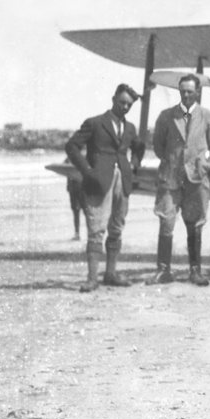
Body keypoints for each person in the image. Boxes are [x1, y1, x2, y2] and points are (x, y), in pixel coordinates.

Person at [65, 84, 145, 292]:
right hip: (98, 182)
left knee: (117, 228)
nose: (125, 107)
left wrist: (134, 166)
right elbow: (71, 146)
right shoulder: (95, 123)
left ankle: (110, 273)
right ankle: (92, 278)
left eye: (129, 105)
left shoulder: (130, 128)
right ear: (113, 99)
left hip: (122, 183)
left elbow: (139, 146)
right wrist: (87, 171)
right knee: (96, 229)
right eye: (122, 102)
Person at [147, 74, 210, 286]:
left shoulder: (208, 116)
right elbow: (159, 146)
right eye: (182, 91)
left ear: (198, 92)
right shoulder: (166, 116)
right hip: (170, 179)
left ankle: (195, 271)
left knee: (195, 224)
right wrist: (173, 163)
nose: (186, 95)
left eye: (190, 91)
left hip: (197, 180)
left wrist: (207, 167)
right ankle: (163, 270)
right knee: (166, 222)